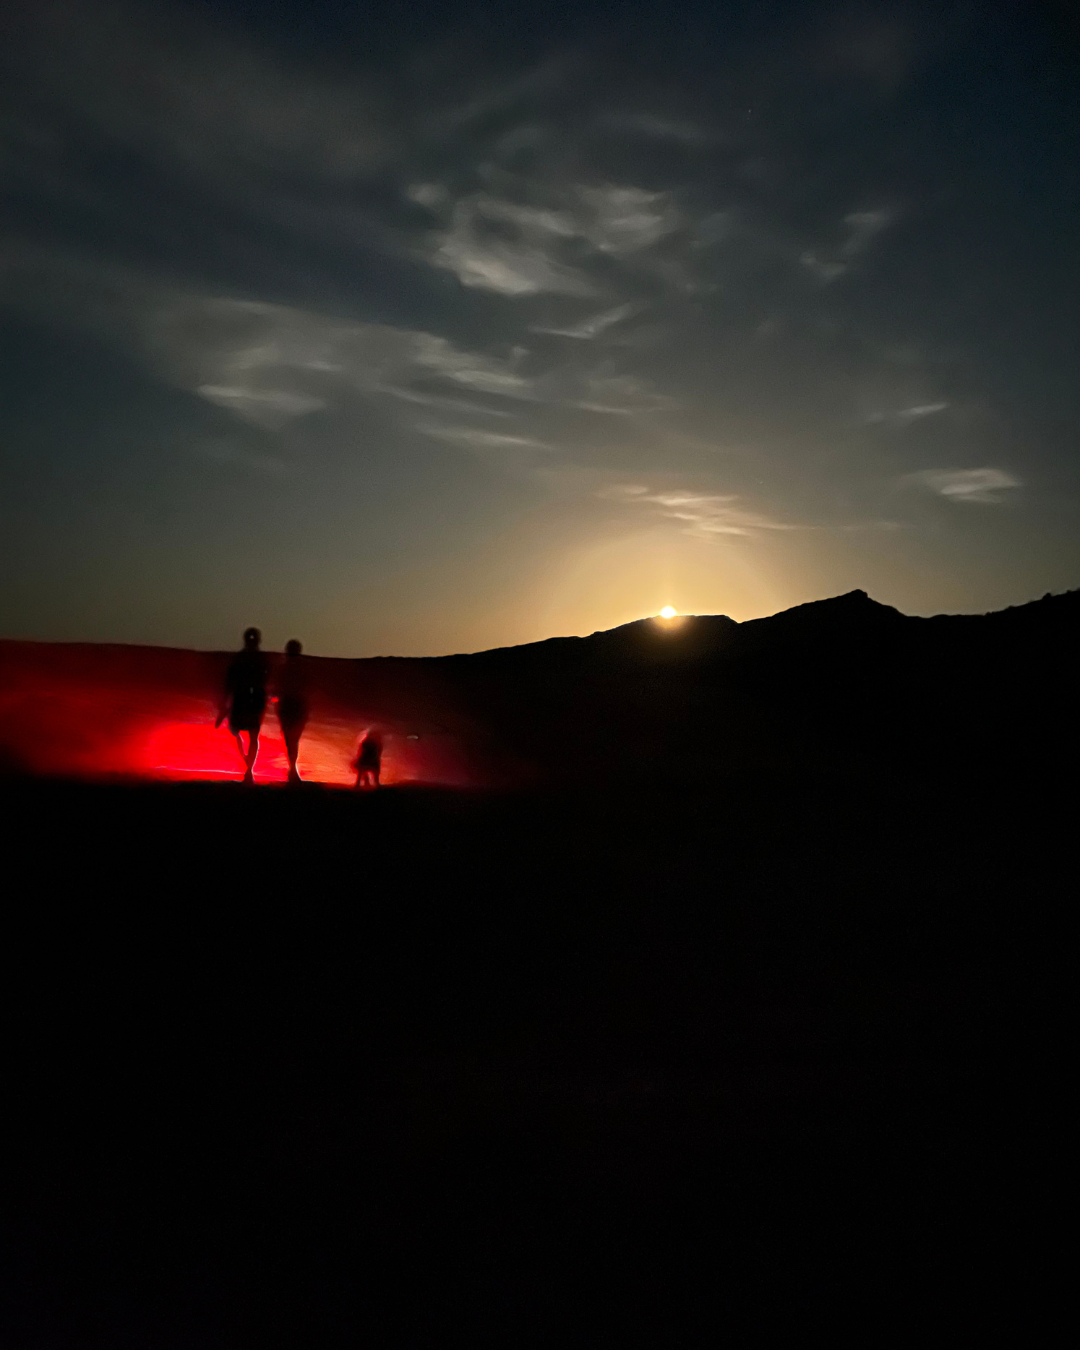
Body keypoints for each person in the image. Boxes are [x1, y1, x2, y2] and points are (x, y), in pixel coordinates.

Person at [216, 627, 269, 784]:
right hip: (254, 698)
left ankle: (248, 767)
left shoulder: (240, 658)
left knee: (239, 732)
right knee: (252, 735)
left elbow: (230, 680)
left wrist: (225, 703)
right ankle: (249, 769)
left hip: (243, 697)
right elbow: (266, 680)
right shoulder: (260, 658)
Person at [274, 639, 309, 784]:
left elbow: (277, 688)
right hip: (296, 704)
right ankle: (292, 769)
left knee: (290, 739)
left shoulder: (284, 668)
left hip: (288, 704)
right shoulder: (302, 669)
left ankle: (292, 769)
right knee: (294, 739)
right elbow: (306, 688)